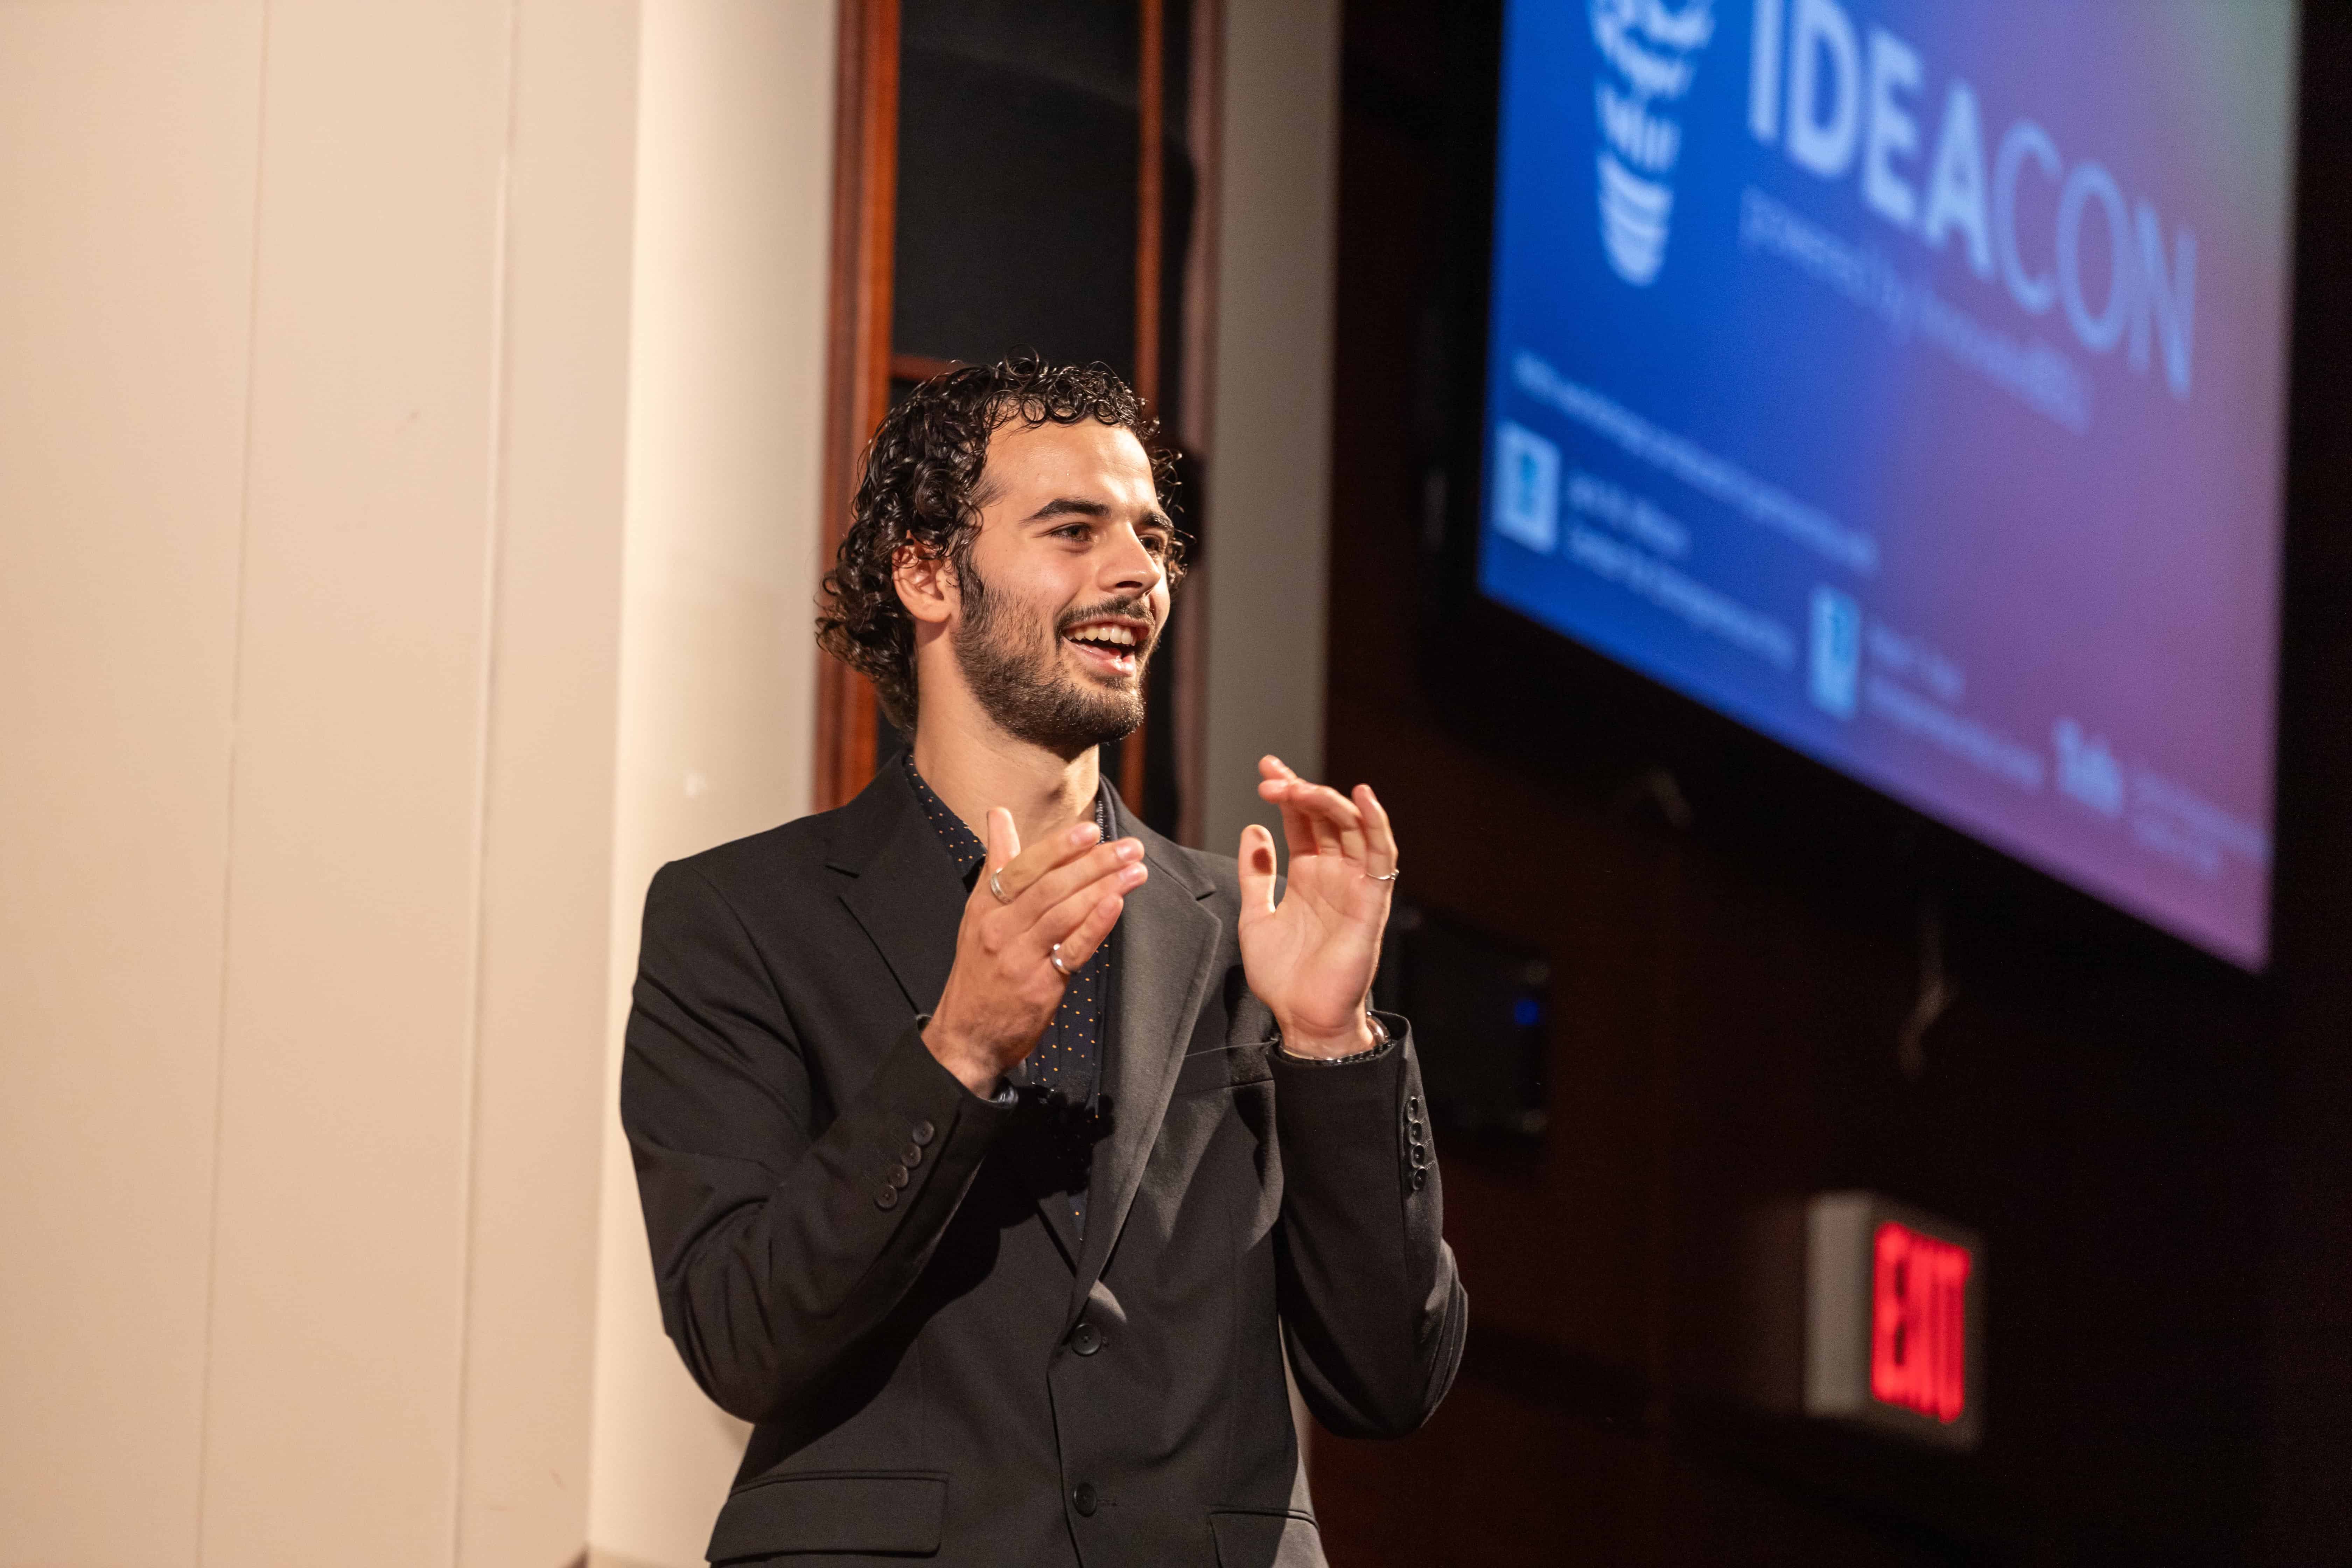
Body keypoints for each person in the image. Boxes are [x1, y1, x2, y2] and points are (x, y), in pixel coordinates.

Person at [621, 355, 1465, 1567]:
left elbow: (1388, 1382)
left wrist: (1333, 1045)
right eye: (1073, 530)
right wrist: (957, 1050)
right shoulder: (742, 917)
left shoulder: (1253, 936)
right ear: (927, 573)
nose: (1138, 573)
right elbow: (741, 1336)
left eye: (1153, 538)